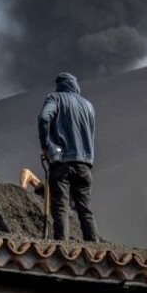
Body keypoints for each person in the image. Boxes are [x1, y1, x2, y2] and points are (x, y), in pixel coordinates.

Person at [37, 72, 99, 241]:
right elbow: (91, 133)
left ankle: (62, 248)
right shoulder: (88, 105)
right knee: (85, 209)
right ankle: (95, 249)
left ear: (59, 85)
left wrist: (45, 146)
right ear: (75, 85)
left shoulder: (55, 98)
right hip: (84, 163)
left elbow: (44, 117)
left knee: (61, 206)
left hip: (62, 161)